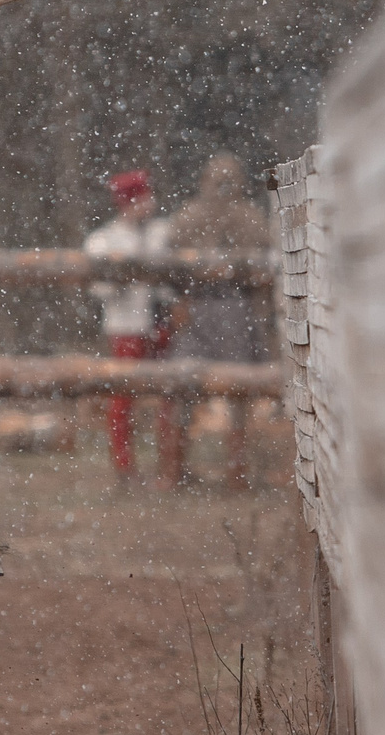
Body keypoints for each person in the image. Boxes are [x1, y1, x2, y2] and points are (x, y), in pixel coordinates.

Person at [165, 153, 273, 488]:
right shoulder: (192, 216)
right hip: (205, 305)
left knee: (235, 388)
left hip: (232, 306)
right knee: (184, 384)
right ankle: (177, 471)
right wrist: (180, 299)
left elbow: (263, 267)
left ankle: (234, 473)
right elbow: (170, 264)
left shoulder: (247, 217)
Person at [85, 170, 182, 484]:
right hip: (126, 327)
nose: (150, 203)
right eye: (142, 198)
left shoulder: (163, 233)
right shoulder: (104, 239)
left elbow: (176, 276)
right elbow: (99, 289)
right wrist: (126, 276)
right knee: (123, 397)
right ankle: (125, 468)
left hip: (161, 324)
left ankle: (170, 467)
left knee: (170, 394)